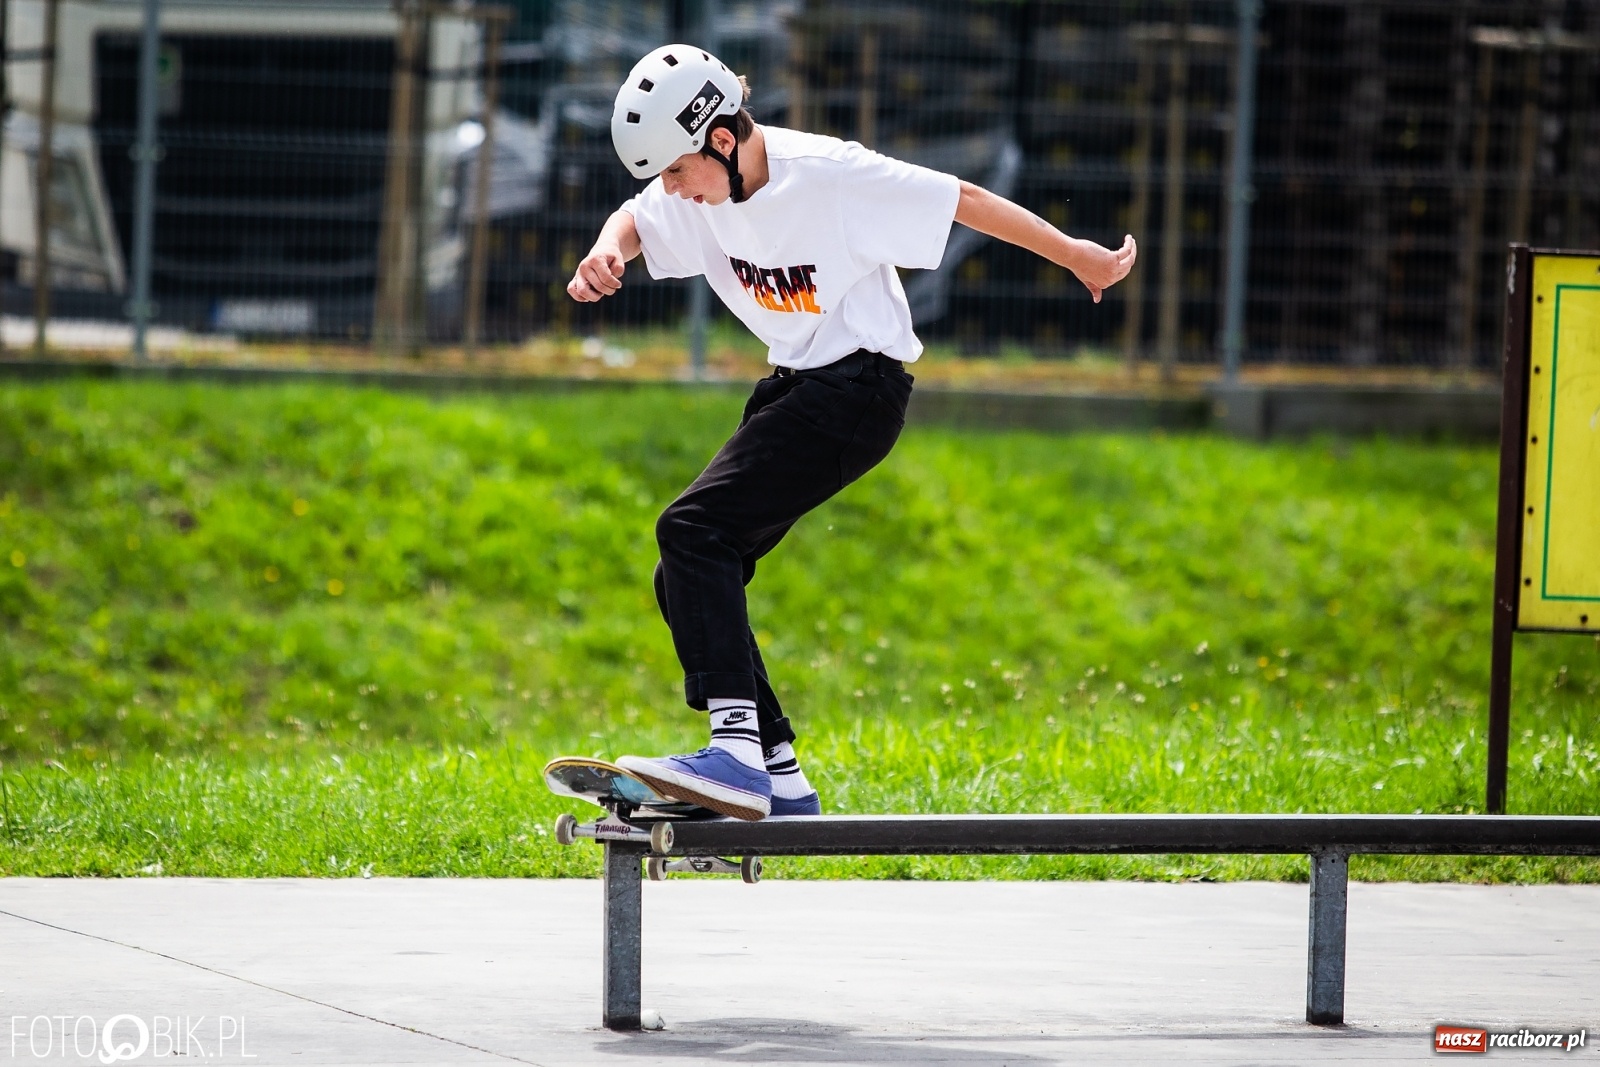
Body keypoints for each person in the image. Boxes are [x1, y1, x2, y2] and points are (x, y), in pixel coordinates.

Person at [568, 44, 1136, 821]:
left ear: (723, 141)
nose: (674, 192)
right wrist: (608, 250)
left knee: (693, 528)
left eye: (677, 172)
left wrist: (1075, 256)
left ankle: (733, 756)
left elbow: (961, 198)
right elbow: (633, 219)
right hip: (796, 389)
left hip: (860, 390)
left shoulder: (830, 175)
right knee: (689, 571)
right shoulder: (700, 185)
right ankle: (779, 772)